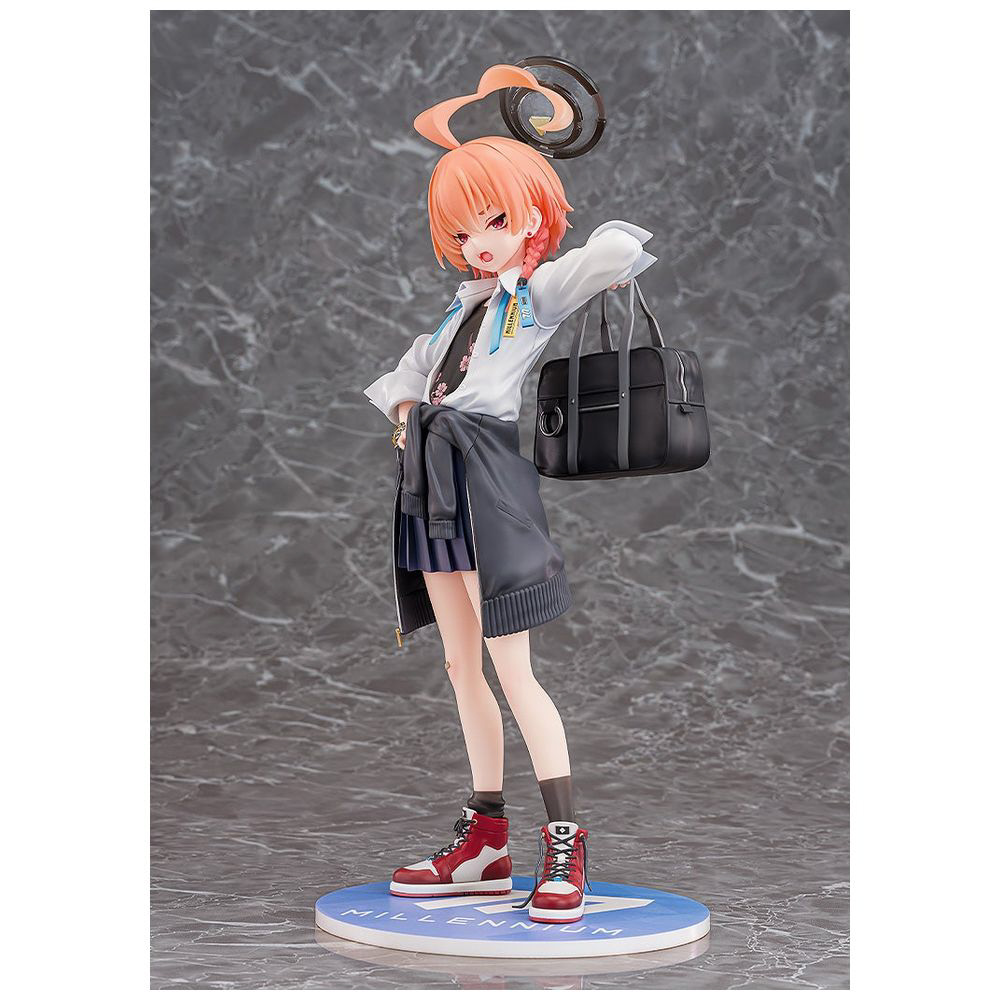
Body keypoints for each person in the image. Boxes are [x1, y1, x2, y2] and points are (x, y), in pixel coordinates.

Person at [362, 64, 655, 924]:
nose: (479, 241)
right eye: (464, 229)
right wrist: (410, 412)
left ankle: (564, 840)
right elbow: (406, 374)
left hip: (485, 481)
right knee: (461, 666)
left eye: (495, 220)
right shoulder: (462, 309)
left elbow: (613, 252)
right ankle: (486, 840)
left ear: (530, 214)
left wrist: (552, 230)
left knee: (513, 669)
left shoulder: (535, 296)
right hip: (431, 481)